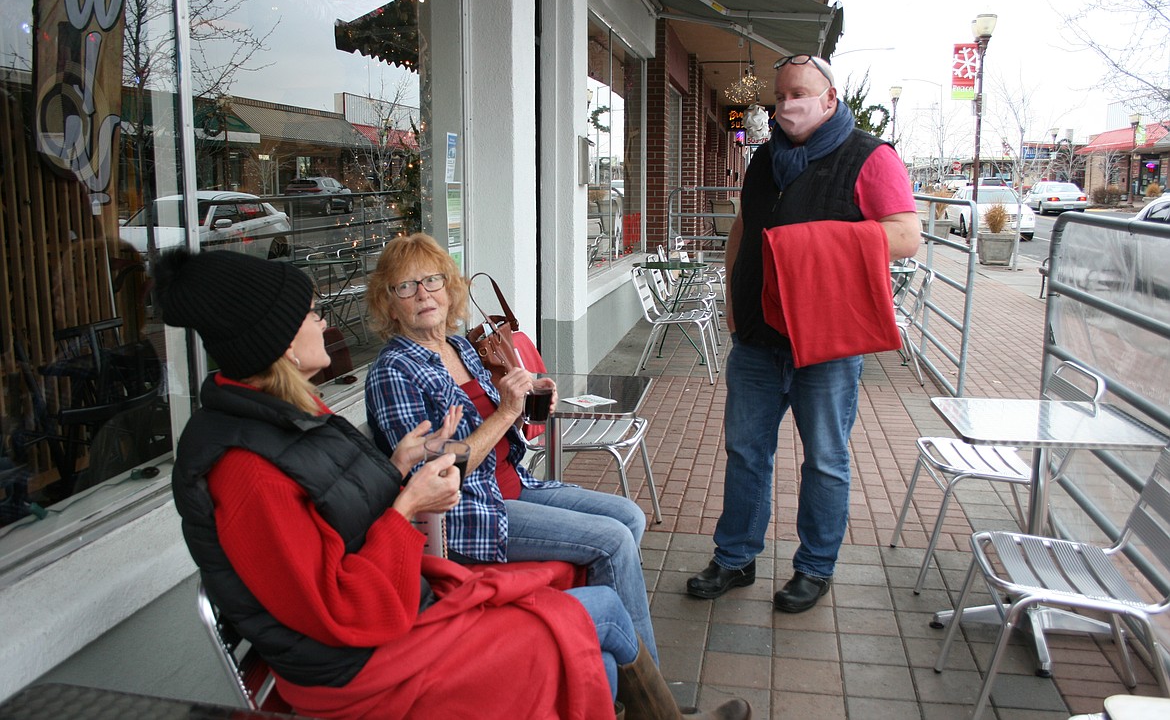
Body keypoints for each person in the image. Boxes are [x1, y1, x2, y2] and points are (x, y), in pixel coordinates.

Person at [159, 248, 749, 720]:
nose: (322, 322)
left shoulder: (289, 413)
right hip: (365, 663)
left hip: (403, 603)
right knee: (599, 611)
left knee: (606, 586)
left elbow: (337, 512)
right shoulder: (245, 466)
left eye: (433, 281)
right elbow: (341, 607)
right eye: (312, 313)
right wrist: (409, 497)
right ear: (282, 341)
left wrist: (398, 467)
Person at [686, 54, 921, 613]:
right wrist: (731, 300)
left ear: (830, 98)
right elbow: (744, 228)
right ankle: (735, 556)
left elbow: (907, 235)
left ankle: (815, 568)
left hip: (829, 342)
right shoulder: (764, 159)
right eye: (780, 96)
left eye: (799, 94)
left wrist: (814, 241)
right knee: (745, 452)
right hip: (758, 338)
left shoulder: (871, 157)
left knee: (826, 459)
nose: (786, 105)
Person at [364, 234, 661, 662]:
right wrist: (504, 412)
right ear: (389, 304)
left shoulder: (460, 346)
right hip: (470, 511)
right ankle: (646, 691)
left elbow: (494, 427)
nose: (424, 294)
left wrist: (525, 404)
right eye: (406, 286)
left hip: (514, 484)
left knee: (630, 516)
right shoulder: (394, 371)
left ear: (450, 289)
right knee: (613, 541)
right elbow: (432, 477)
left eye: (432, 280)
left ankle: (589, 650)